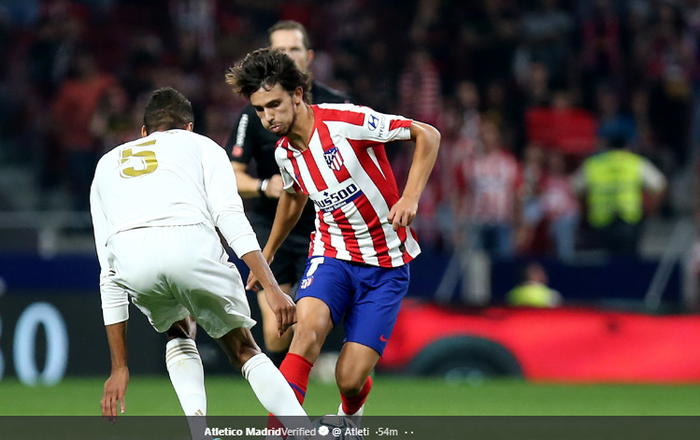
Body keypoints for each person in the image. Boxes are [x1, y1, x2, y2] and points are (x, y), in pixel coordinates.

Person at [225, 48, 440, 420]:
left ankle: (348, 418)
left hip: (386, 265)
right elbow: (293, 198)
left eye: (274, 104)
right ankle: (282, 431)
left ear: (297, 94)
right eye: (259, 109)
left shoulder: (347, 121)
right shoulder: (284, 154)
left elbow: (428, 134)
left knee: (350, 378)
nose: (267, 117)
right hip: (332, 254)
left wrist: (410, 196)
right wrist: (269, 253)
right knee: (305, 332)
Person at [90, 87, 312, 438]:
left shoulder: (106, 164)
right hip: (189, 241)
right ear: (189, 127)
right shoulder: (203, 146)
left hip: (133, 258)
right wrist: (271, 286)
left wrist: (119, 367)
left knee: (178, 329)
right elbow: (229, 216)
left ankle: (198, 430)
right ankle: (304, 431)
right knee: (242, 347)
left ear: (144, 133)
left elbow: (109, 271)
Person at [224, 20, 349, 363]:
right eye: (280, 51)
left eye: (294, 49)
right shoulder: (255, 113)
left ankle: (296, 398)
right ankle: (294, 377)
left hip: (323, 227)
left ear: (308, 56)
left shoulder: (336, 104)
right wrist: (265, 186)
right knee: (275, 331)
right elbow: (230, 176)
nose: (288, 56)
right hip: (271, 223)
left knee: (310, 321)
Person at [572, 136, 666, 255]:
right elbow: (660, 185)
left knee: (604, 266)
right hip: (629, 220)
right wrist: (651, 209)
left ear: (606, 147)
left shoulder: (594, 164)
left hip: (600, 222)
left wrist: (585, 209)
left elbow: (575, 187)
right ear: (627, 147)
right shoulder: (635, 162)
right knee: (628, 264)